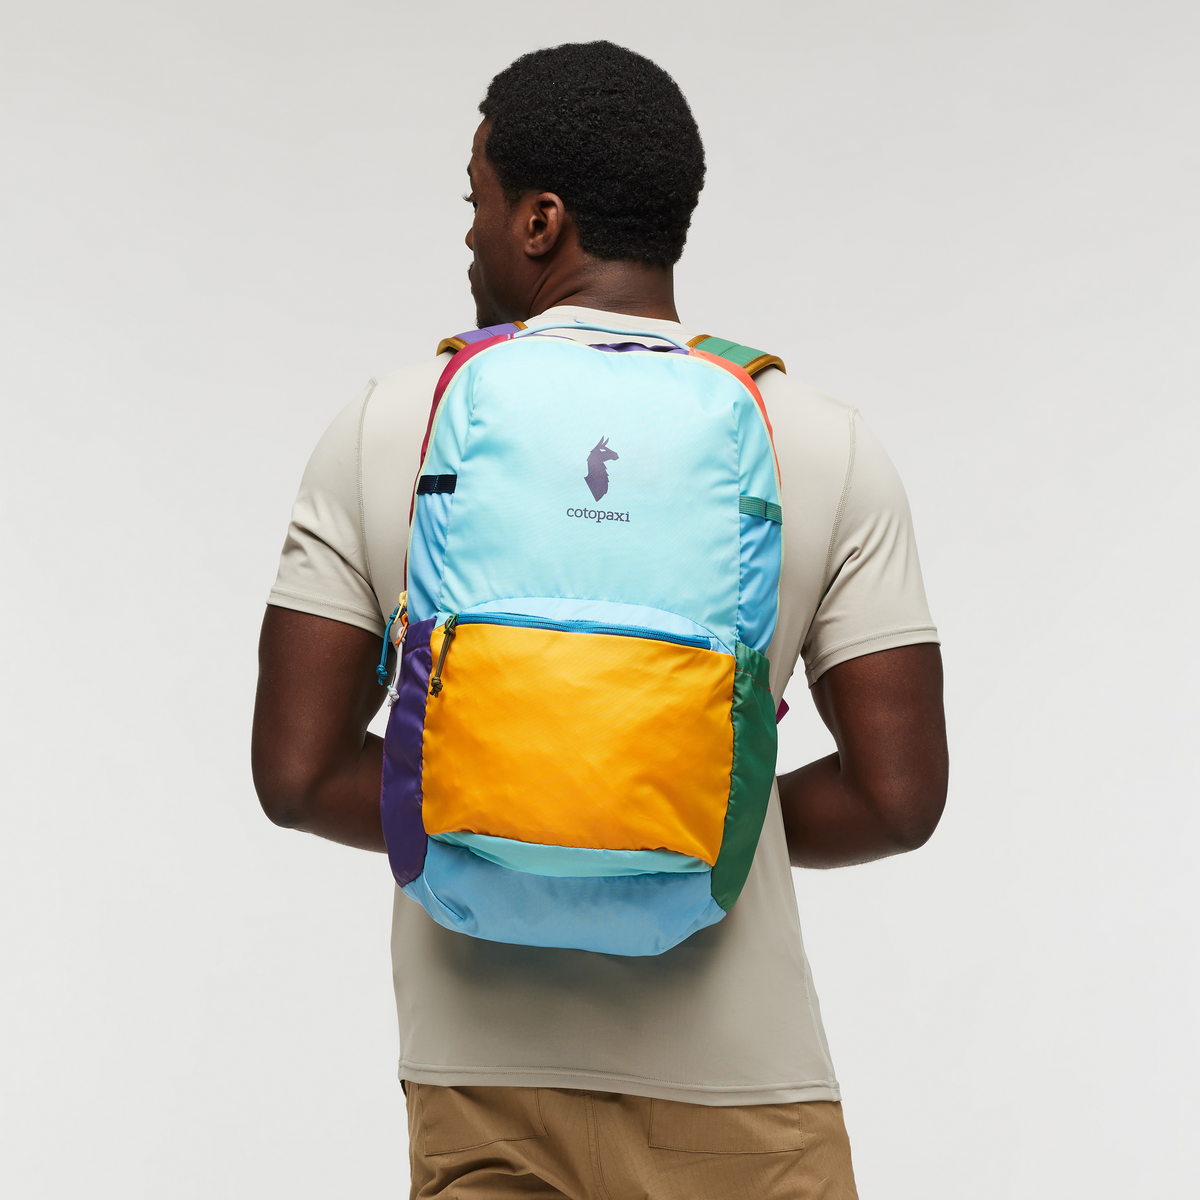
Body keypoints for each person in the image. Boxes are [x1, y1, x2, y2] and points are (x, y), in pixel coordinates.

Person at [252, 40, 948, 1200]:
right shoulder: (823, 441)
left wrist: (516, 806)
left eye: (475, 201)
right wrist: (679, 803)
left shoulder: (389, 423)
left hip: (480, 1088)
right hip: (743, 1088)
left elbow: (296, 772)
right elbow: (898, 797)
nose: (468, 236)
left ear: (541, 222)